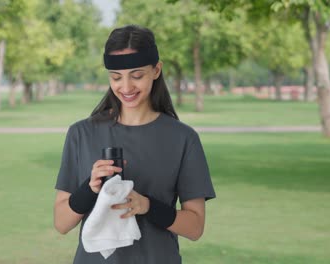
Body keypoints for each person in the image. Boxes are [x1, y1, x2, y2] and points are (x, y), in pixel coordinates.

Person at [54, 24, 216, 263]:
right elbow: (61, 223)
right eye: (116, 77)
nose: (126, 87)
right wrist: (89, 189)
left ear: (156, 70)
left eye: (137, 75)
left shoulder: (183, 138)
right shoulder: (81, 133)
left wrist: (147, 206)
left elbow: (195, 227)